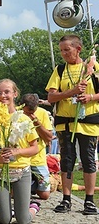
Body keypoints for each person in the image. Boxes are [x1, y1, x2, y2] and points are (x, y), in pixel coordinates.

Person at [46, 34, 98, 215]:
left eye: (67, 50)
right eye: (61, 51)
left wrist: (90, 97)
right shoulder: (59, 70)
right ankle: (66, 199)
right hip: (65, 124)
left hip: (89, 123)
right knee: (67, 161)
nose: (64, 54)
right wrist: (71, 92)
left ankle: (89, 201)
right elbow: (51, 97)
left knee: (88, 160)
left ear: (78, 49)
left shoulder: (93, 67)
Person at [0, 79, 40, 224]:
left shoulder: (24, 119)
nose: (3, 96)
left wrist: (17, 151)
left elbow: (35, 148)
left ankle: (33, 207)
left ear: (15, 94)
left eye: (7, 92)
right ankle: (7, 211)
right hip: (0, 172)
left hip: (21, 171)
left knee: (23, 220)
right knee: (4, 220)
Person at [20, 93, 53, 201]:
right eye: (27, 112)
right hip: (21, 159)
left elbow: (49, 138)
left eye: (33, 112)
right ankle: (27, 186)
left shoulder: (42, 113)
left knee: (45, 195)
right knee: (17, 193)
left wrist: (37, 123)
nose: (30, 114)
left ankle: (33, 186)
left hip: (38, 159)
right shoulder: (16, 113)